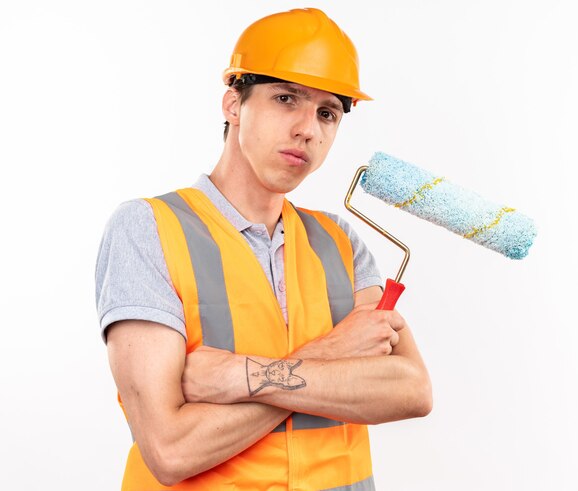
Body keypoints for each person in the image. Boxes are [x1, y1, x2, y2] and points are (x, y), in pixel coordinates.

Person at [96, 7, 432, 490]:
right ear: (233, 103)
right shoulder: (148, 228)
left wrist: (238, 376)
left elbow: (411, 389)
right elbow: (170, 450)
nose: (308, 129)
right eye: (285, 98)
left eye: (327, 113)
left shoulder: (340, 241)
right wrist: (333, 352)